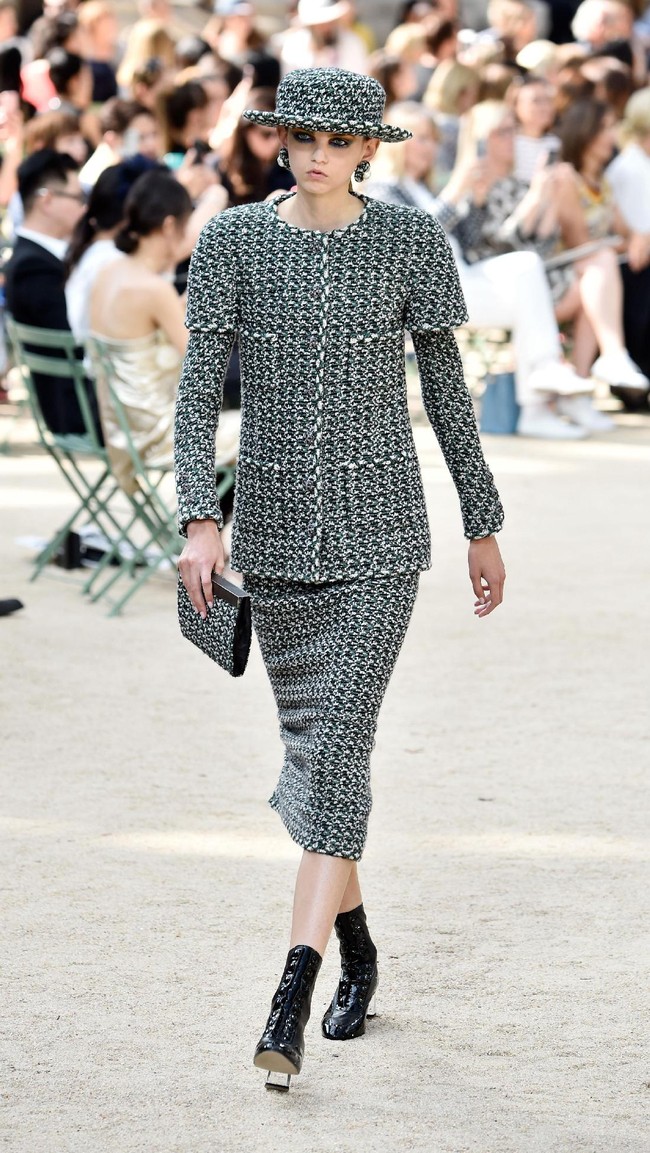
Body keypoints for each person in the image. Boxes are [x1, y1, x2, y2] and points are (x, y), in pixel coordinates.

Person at [174, 67, 505, 1091]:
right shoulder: (230, 239)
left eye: (339, 137)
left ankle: (291, 989)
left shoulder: (410, 241)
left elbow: (446, 392)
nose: (318, 152)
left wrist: (480, 521)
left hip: (379, 546)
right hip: (268, 540)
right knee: (324, 765)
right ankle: (359, 949)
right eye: (301, 134)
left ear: (371, 145)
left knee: (340, 745)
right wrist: (197, 517)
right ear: (279, 138)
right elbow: (195, 389)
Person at [369, 101, 603, 438]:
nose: (428, 147)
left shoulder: (425, 186)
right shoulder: (385, 189)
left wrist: (475, 202)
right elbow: (419, 242)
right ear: (397, 143)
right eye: (419, 138)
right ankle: (539, 392)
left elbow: (465, 239)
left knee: (527, 269)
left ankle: (538, 394)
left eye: (432, 139)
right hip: (432, 292)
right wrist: (456, 192)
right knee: (527, 279)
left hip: (463, 276)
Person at [88, 169, 238, 493]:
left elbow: (152, 328)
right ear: (170, 226)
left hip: (121, 435)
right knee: (275, 429)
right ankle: (233, 535)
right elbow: (204, 364)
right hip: (158, 437)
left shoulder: (108, 272)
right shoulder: (152, 289)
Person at [3, 147, 100, 436]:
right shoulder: (32, 266)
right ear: (47, 200)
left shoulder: (37, 258)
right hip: (82, 409)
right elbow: (79, 341)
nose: (84, 207)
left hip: (90, 400)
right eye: (78, 197)